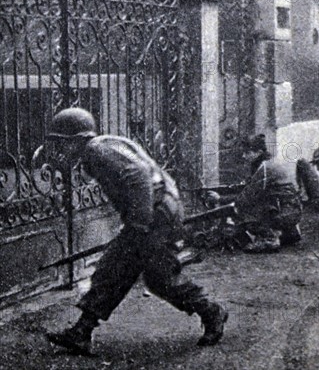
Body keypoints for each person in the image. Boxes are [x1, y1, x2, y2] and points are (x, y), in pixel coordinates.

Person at [45, 108, 228, 355]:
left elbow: (139, 176)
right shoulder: (103, 146)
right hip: (158, 211)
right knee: (114, 267)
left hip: (157, 215)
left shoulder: (96, 150)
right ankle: (81, 332)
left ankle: (212, 312)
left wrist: (138, 224)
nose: (61, 150)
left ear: (77, 139)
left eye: (62, 143)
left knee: (157, 278)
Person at [235, 134, 303, 253]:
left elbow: (248, 196)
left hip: (287, 213)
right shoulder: (269, 163)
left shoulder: (265, 168)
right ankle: (289, 232)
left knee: (245, 208)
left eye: (247, 152)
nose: (243, 156)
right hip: (292, 210)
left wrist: (220, 199)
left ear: (259, 152)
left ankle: (269, 239)